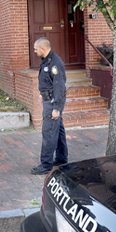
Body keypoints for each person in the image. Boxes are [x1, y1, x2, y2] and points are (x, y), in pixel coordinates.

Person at [31, 37, 68, 174]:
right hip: (49, 99)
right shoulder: (47, 60)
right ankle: (61, 158)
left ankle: (46, 165)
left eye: (36, 49)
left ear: (43, 49)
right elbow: (49, 82)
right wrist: (43, 93)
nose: (34, 52)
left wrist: (56, 108)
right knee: (58, 129)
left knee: (48, 132)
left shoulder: (54, 63)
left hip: (53, 102)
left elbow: (59, 87)